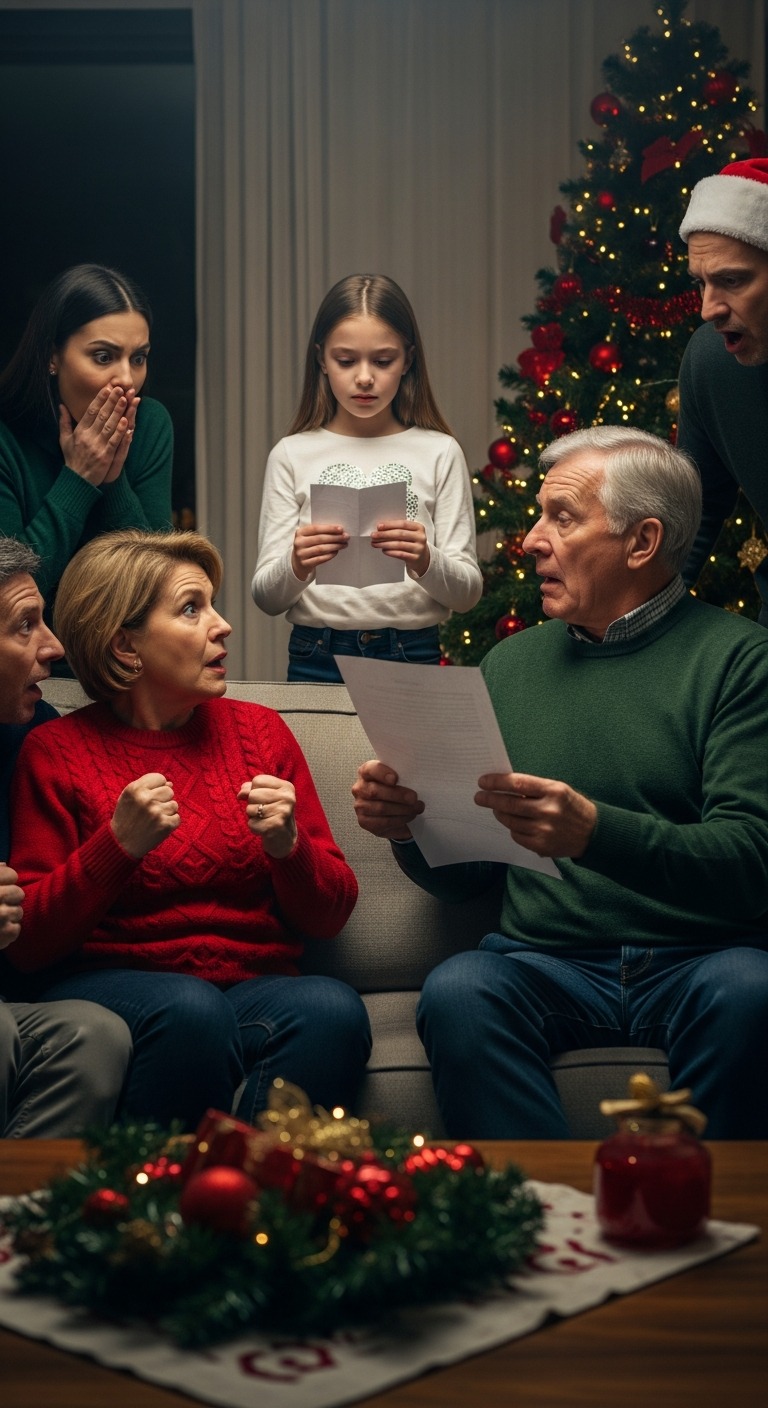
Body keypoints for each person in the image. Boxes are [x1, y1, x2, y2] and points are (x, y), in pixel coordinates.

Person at [352, 425, 768, 1140]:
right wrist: (412, 827)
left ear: (641, 542)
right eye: (540, 515)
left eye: (562, 518)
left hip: (702, 959)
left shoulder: (738, 660)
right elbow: (467, 879)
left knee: (753, 992)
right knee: (458, 991)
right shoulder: (509, 665)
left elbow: (752, 862)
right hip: (543, 963)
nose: (531, 540)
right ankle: (540, 1212)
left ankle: (698, 1214)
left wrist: (595, 835)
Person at [5, 529, 371, 1131]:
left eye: (213, 604)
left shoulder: (260, 734)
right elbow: (30, 944)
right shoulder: (54, 751)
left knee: (331, 1008)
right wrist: (114, 848)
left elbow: (330, 916)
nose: (222, 626)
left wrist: (289, 848)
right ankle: (162, 1212)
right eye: (192, 608)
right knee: (190, 1008)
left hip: (252, 987)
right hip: (113, 991)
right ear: (125, 645)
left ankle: (257, 1207)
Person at [252, 273, 482, 681]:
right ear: (321, 359)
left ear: (408, 360)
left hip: (412, 651)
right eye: (346, 360)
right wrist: (298, 564)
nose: (363, 377)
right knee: (321, 750)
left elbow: (467, 594)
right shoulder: (291, 454)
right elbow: (267, 598)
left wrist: (425, 559)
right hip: (316, 654)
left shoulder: (439, 451)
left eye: (382, 360)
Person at [0, 536, 131, 1136]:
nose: (52, 647)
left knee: (94, 1032)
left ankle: (29, 1224)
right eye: (25, 626)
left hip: (22, 991)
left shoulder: (36, 734)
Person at [0, 263, 173, 625]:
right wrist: (78, 479)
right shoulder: (7, 440)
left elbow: (160, 586)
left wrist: (112, 481)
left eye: (138, 358)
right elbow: (11, 601)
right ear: (52, 356)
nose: (127, 379)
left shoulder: (151, 424)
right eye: (104, 357)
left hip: (126, 657)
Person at [677, 156, 768, 624]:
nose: (708, 308)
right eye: (701, 283)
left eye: (732, 281)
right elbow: (696, 510)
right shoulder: (711, 361)